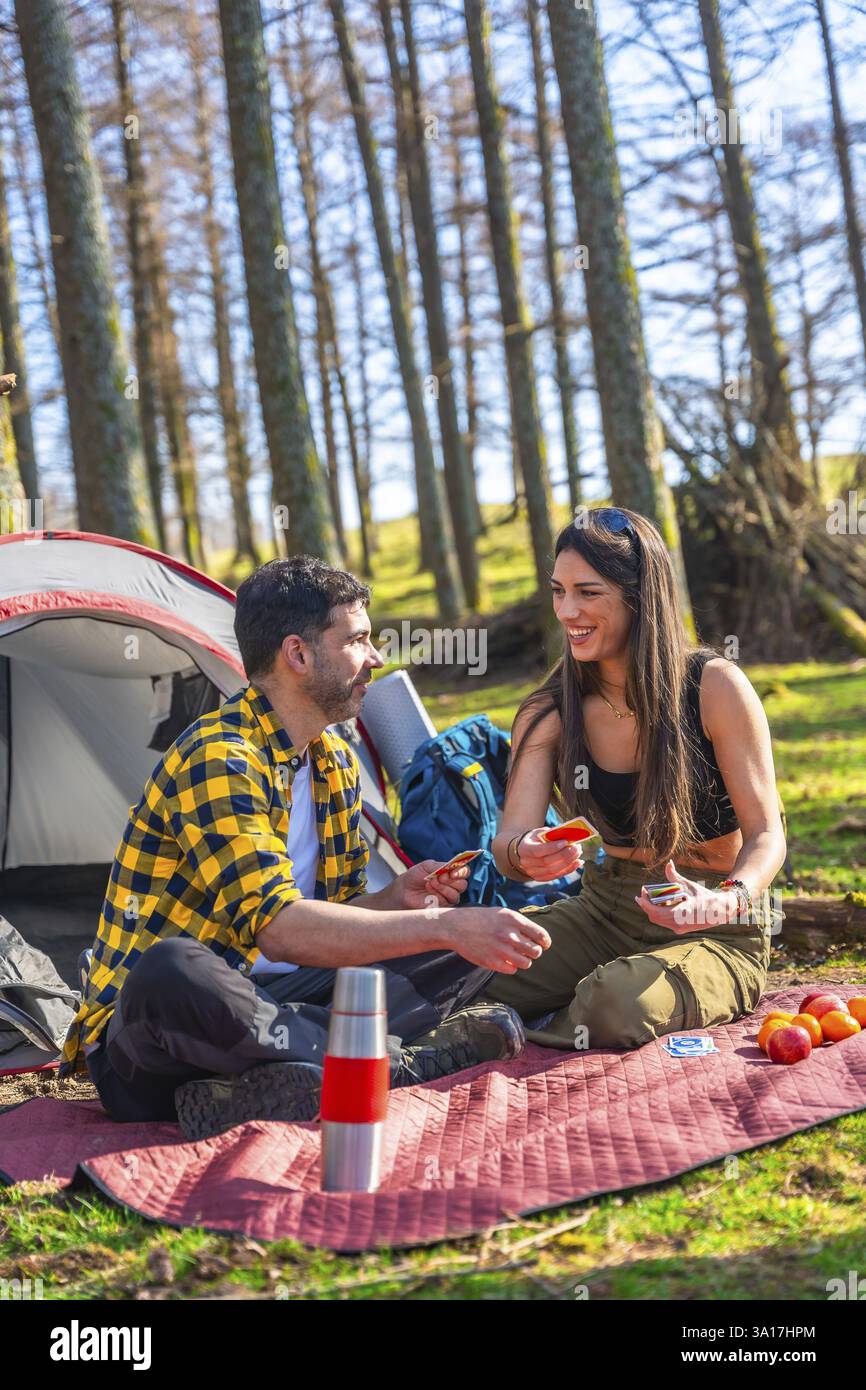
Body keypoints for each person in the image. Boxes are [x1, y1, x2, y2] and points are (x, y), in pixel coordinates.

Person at [61, 557, 551, 1139]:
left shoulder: (333, 761)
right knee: (169, 971)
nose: (376, 659)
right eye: (359, 641)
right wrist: (446, 924)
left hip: (274, 1006)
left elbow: (338, 921)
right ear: (298, 655)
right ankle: (385, 1063)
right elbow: (282, 930)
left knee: (468, 946)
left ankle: (260, 1085)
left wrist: (398, 899)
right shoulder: (221, 758)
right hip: (154, 1046)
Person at [482, 506, 786, 1050]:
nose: (567, 610)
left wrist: (728, 898)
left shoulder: (714, 688)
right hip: (603, 911)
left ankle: (519, 1029)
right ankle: (495, 1023)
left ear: (639, 595)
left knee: (614, 1004)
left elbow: (767, 835)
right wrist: (524, 852)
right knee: (468, 973)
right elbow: (507, 842)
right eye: (558, 591)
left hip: (716, 925)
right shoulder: (550, 712)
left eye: (588, 593)